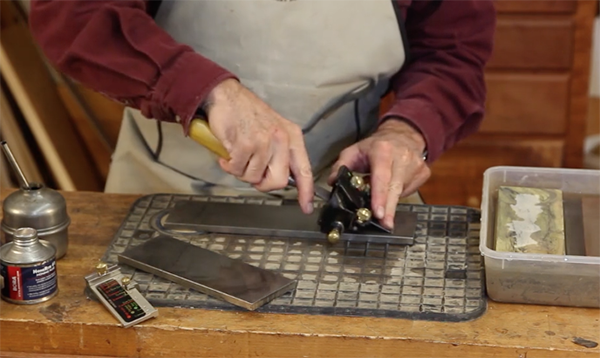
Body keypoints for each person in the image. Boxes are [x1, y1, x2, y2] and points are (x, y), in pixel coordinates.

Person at [28, 0, 496, 229]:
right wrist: (207, 91)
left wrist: (406, 131)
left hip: (353, 195)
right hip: (167, 190)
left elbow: (451, 53)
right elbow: (77, 15)